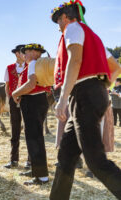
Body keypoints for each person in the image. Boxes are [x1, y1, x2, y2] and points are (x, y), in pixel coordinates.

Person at [49, 1, 121, 199]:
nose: (58, 26)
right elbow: (115, 68)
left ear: (65, 17)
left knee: (95, 161)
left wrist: (63, 99)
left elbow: (75, 60)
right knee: (66, 156)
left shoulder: (72, 28)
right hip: (90, 94)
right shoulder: (93, 37)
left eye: (58, 21)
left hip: (83, 95)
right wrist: (101, 88)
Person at [12, 43, 51, 185]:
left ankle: (41, 177)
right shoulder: (37, 63)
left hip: (33, 101)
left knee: (34, 139)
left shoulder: (34, 63)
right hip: (38, 100)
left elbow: (31, 84)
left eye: (26, 51)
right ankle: (36, 170)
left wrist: (15, 92)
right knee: (34, 137)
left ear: (35, 52)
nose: (24, 54)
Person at [3, 45, 30, 169]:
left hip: (28, 99)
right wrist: (10, 99)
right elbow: (7, 86)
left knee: (30, 130)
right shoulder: (9, 68)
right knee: (15, 130)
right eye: (22, 52)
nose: (24, 54)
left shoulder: (30, 66)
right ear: (17, 54)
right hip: (14, 101)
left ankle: (30, 160)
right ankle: (14, 159)